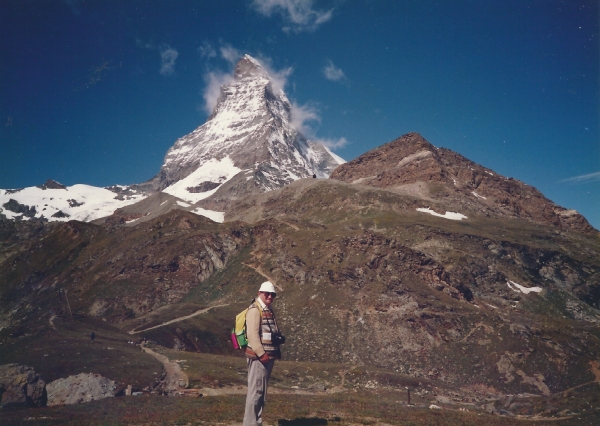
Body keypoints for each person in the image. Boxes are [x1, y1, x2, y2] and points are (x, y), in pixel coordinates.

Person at [243, 281, 282, 426]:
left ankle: (256, 422)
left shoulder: (268, 310)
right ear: (260, 293)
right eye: (267, 294)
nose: (270, 297)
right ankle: (250, 423)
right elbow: (252, 335)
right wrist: (261, 353)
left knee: (261, 392)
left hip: (267, 357)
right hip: (259, 358)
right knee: (256, 392)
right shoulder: (255, 310)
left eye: (273, 294)